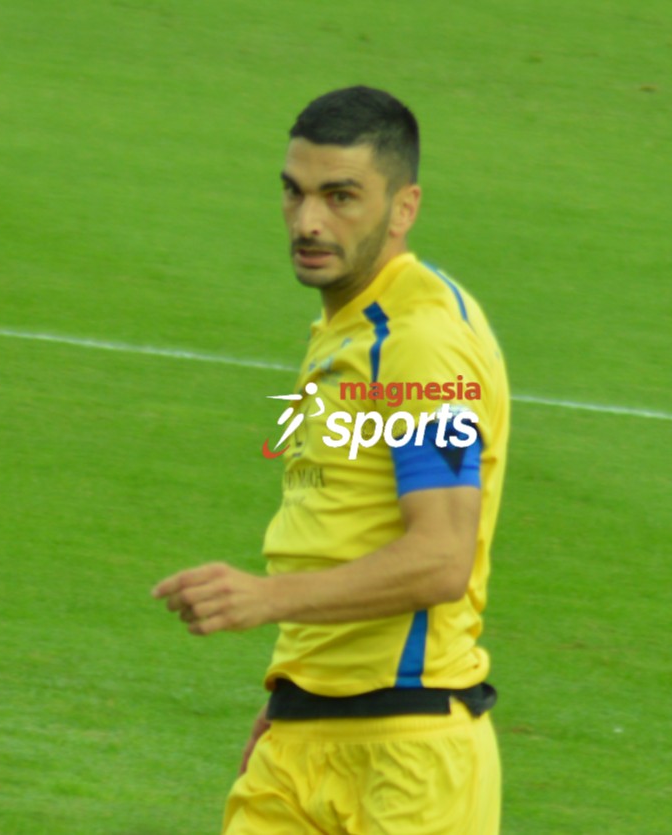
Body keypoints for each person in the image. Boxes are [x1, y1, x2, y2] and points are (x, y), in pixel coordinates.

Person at [153, 85, 510, 835]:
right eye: (295, 192)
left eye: (340, 197)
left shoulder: (421, 342)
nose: (308, 221)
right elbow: (339, 520)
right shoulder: (347, 326)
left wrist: (265, 598)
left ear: (403, 207)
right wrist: (295, 693)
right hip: (303, 740)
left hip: (405, 763)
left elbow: (441, 557)